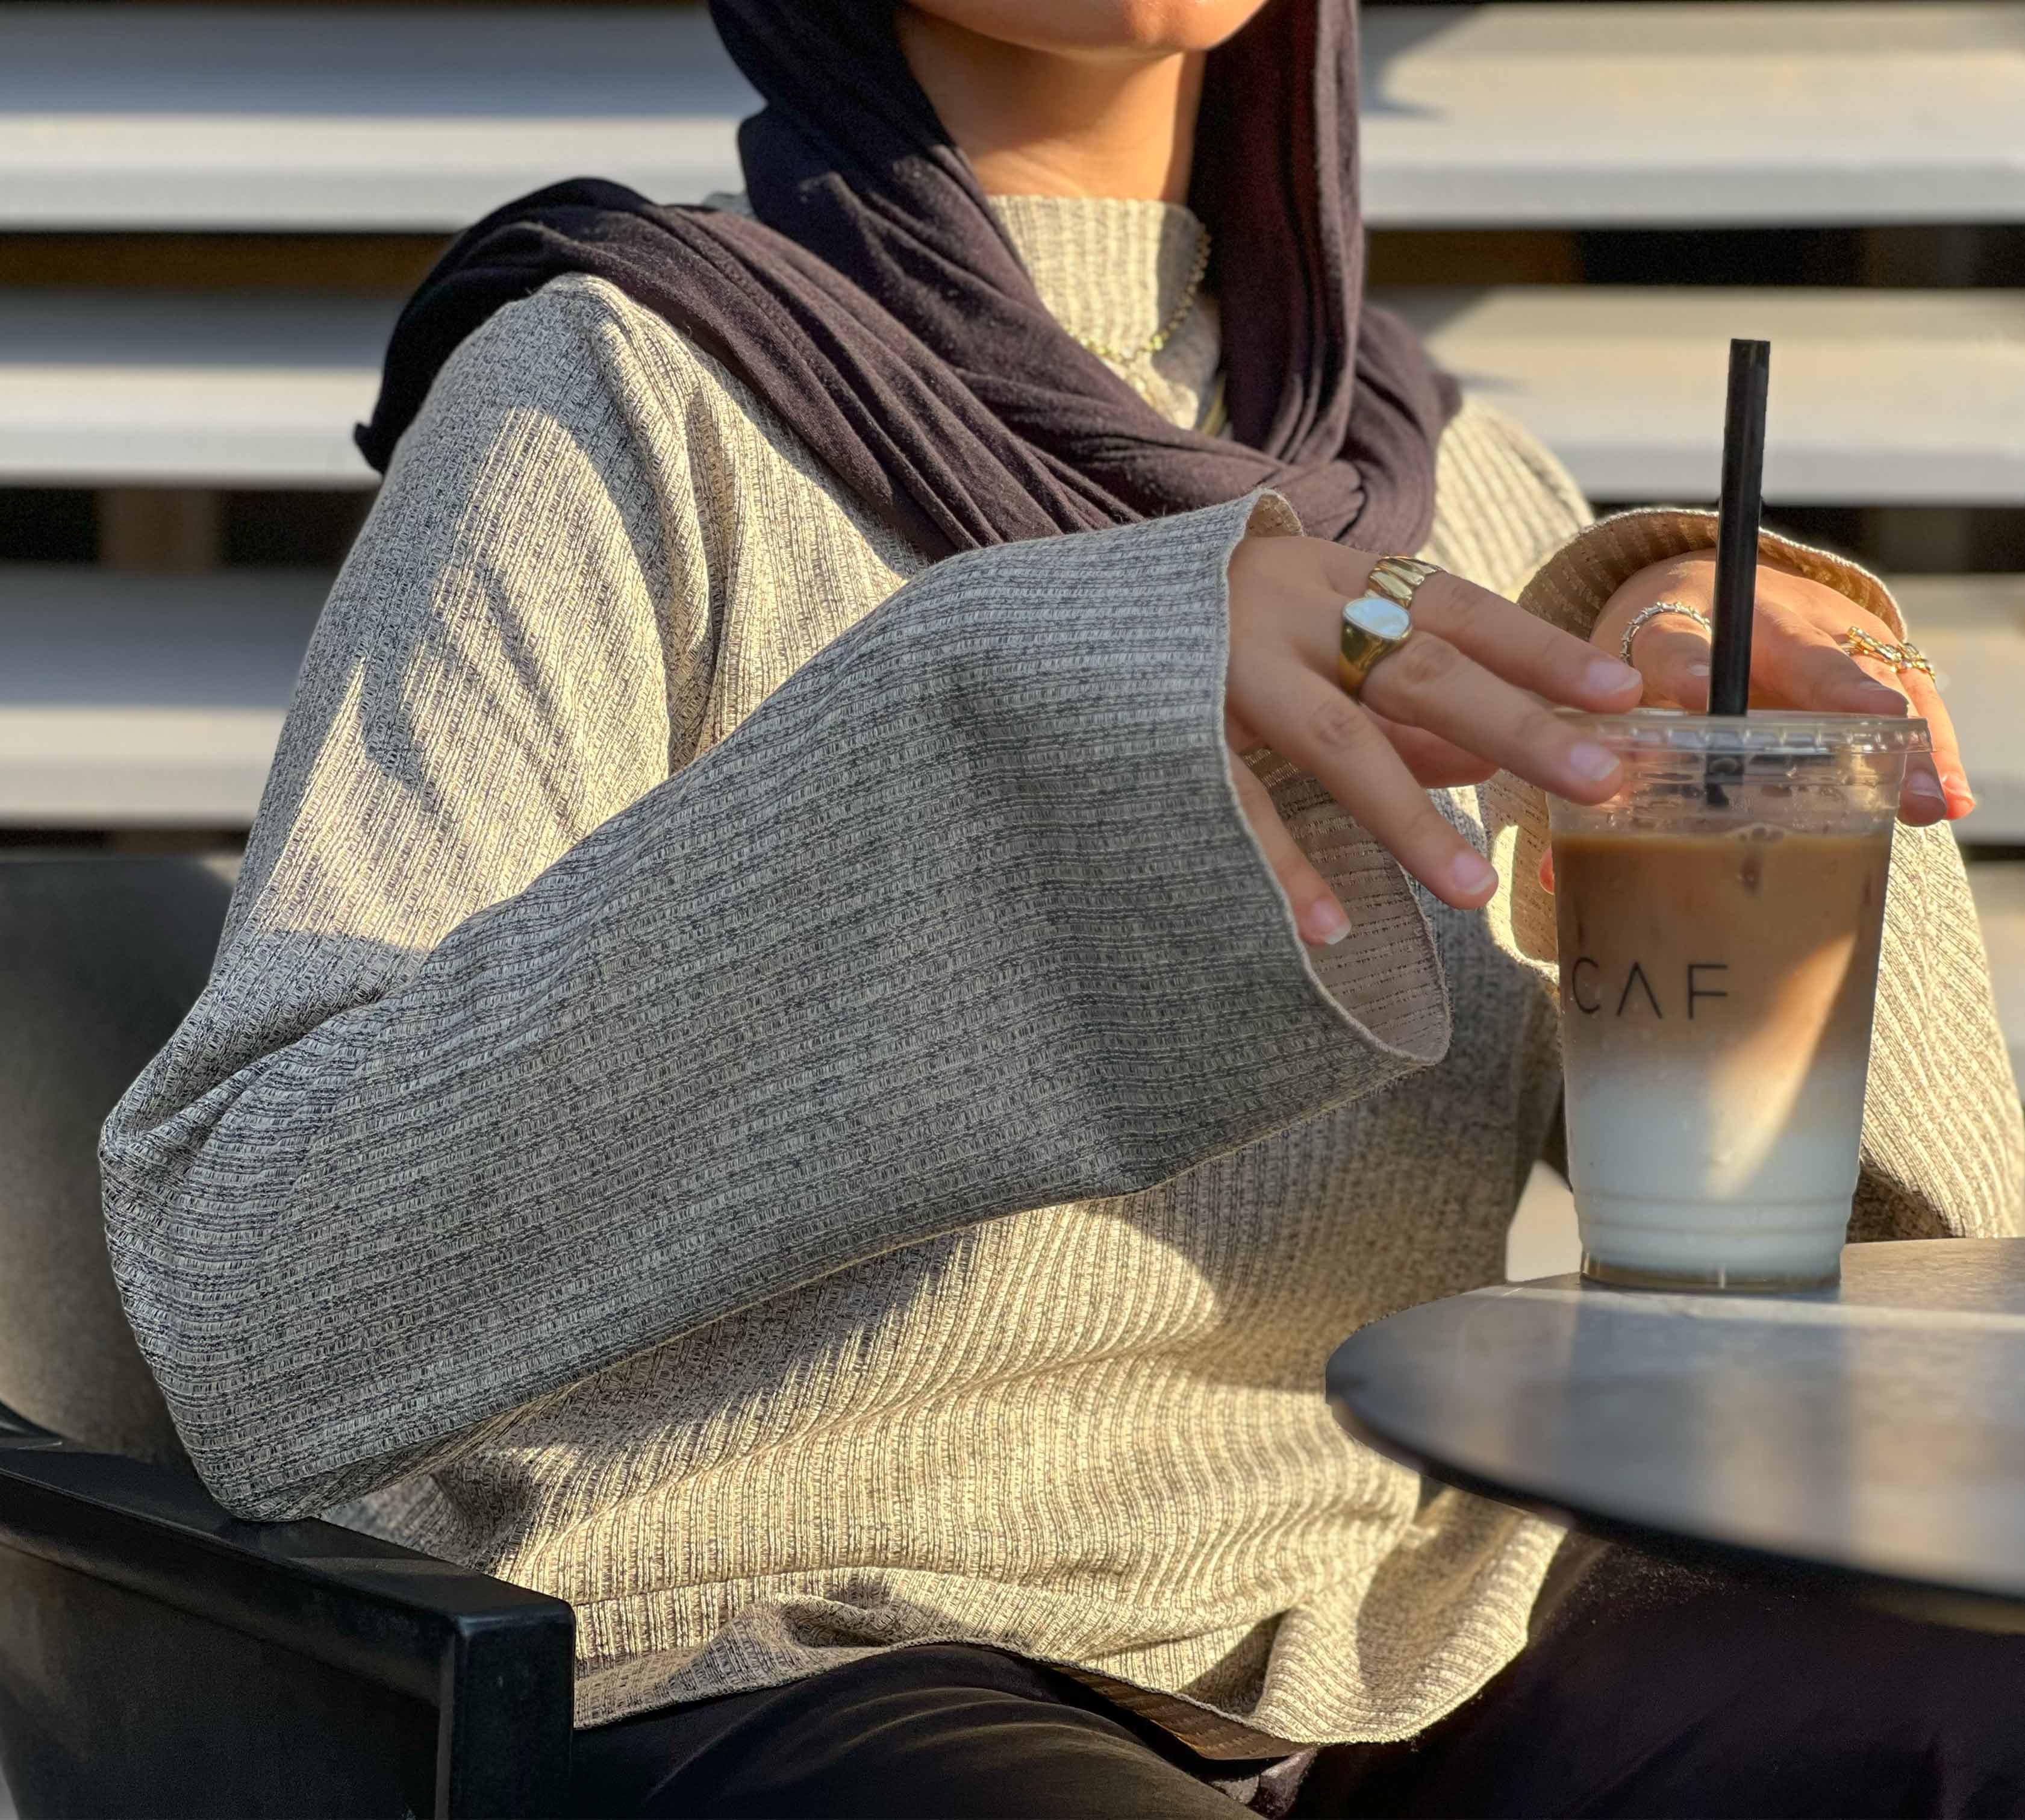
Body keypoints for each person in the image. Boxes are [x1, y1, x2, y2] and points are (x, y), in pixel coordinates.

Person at [102, 1, 2022, 1813]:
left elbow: (1845, 1337)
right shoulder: (615, 391)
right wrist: (1028, 697)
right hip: (783, 1642)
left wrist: (1771, 744)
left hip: (1398, 1642)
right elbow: (265, 1297)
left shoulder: (1468, 502)